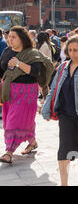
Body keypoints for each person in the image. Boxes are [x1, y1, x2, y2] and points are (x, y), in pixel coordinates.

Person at [41, 35, 78, 186]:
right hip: (66, 115)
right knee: (64, 150)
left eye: (76, 50)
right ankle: (64, 183)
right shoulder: (63, 67)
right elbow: (54, 89)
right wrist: (46, 108)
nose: (72, 53)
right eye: (70, 50)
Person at [0, 26, 54, 164]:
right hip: (8, 90)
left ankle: (9, 151)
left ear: (22, 39)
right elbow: (2, 69)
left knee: (14, 120)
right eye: (9, 36)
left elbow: (35, 72)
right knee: (15, 119)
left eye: (13, 37)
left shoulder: (32, 53)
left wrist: (18, 63)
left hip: (26, 92)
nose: (10, 39)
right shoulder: (7, 51)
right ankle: (33, 142)